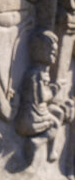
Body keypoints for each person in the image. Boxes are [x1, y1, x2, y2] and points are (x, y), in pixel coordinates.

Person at [16, 30, 74, 162]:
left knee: (57, 112)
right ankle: (36, 142)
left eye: (55, 52)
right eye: (51, 52)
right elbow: (42, 96)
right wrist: (55, 90)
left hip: (38, 112)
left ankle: (51, 152)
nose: (54, 55)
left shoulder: (40, 73)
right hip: (31, 118)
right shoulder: (36, 74)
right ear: (38, 51)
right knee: (54, 124)